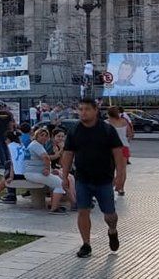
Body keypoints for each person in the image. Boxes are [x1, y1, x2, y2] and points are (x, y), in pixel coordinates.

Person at [59, 98, 125, 258]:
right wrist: (65, 175)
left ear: (95, 110)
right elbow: (68, 154)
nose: (83, 112)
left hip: (104, 179)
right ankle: (86, 244)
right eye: (80, 109)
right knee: (83, 211)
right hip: (83, 179)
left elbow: (118, 154)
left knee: (110, 215)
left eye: (87, 109)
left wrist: (120, 176)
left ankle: (112, 230)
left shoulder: (107, 130)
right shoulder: (74, 130)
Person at [25, 128, 70, 213]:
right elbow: (46, 157)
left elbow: (48, 158)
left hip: (33, 172)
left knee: (55, 184)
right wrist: (47, 169)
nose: (44, 137)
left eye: (46, 136)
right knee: (60, 183)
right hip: (34, 173)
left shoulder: (36, 145)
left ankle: (54, 205)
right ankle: (54, 209)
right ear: (36, 136)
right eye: (41, 135)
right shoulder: (36, 145)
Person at [105, 106, 134, 195]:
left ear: (109, 114)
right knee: (122, 169)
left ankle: (110, 185)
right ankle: (120, 188)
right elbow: (130, 134)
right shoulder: (124, 121)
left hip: (109, 148)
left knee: (109, 169)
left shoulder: (106, 123)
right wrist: (126, 140)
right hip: (123, 147)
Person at [0, 102, 15, 170]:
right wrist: (11, 133)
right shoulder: (9, 114)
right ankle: (8, 161)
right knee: (6, 147)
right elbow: (11, 124)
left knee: (0, 148)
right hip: (7, 133)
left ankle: (2, 163)